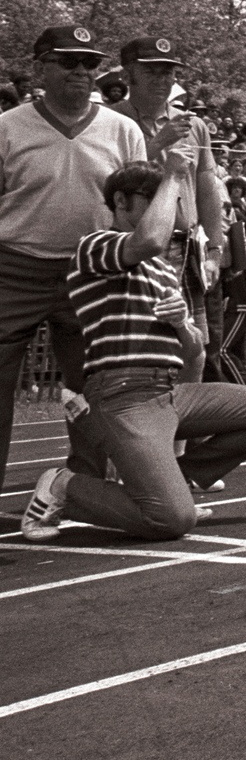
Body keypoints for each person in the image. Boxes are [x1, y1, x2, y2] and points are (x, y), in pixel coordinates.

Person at [19, 154, 246, 543]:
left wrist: (180, 324)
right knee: (171, 522)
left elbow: (190, 350)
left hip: (168, 392)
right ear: (120, 202)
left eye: (168, 200)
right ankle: (64, 486)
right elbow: (149, 239)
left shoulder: (162, 269)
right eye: (153, 199)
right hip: (124, 395)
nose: (166, 211)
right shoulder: (94, 246)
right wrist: (172, 176)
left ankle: (177, 479)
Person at [0, 26, 147, 486]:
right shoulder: (7, 127)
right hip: (14, 267)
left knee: (91, 386)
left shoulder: (122, 130)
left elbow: (138, 211)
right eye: (69, 61)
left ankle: (86, 487)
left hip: (91, 270)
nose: (82, 72)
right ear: (41, 65)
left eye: (90, 64)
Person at [117, 38, 228, 380]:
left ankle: (186, 429)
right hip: (138, 248)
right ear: (129, 73)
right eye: (152, 71)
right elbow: (112, 185)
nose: (162, 79)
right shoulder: (112, 120)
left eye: (168, 71)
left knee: (193, 346)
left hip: (186, 248)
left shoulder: (193, 124)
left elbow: (208, 190)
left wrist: (214, 249)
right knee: (142, 345)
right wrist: (155, 145)